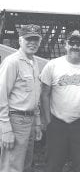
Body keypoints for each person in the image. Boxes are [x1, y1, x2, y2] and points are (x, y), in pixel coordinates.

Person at [40, 30, 80, 172]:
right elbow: (44, 94)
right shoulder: (52, 65)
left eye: (79, 43)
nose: (75, 46)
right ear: (65, 45)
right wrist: (47, 121)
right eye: (71, 43)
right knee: (53, 165)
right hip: (57, 123)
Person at [0, 24, 43, 172]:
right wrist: (5, 129)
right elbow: (1, 96)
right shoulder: (12, 62)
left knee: (25, 165)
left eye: (36, 39)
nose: (32, 43)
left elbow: (35, 96)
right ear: (20, 41)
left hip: (29, 121)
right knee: (12, 166)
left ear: (40, 41)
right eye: (28, 39)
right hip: (15, 121)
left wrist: (37, 123)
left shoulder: (34, 62)